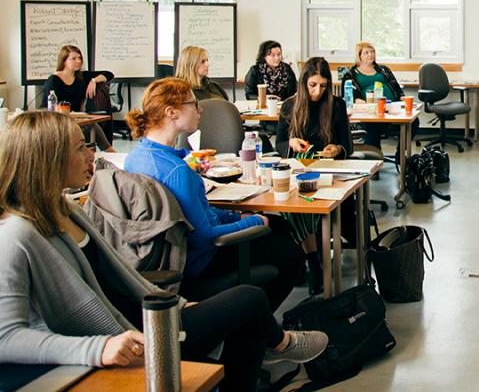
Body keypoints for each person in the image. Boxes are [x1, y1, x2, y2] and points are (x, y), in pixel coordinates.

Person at [0, 111, 327, 391]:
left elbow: (116, 278)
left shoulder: (65, 207)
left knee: (248, 312)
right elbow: (6, 338)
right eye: (80, 147)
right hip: (126, 338)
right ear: (48, 160)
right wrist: (98, 348)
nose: (91, 154)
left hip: (142, 318)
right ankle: (281, 343)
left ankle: (255, 362)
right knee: (250, 299)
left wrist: (180, 303)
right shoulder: (16, 234)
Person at [124, 78, 305, 311]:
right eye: (193, 104)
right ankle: (250, 325)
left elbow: (197, 213)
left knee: (280, 225)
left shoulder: (136, 156)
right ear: (171, 112)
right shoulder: (179, 171)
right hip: (198, 259)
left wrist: (233, 217)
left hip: (162, 253)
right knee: (291, 256)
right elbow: (205, 237)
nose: (199, 109)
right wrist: (252, 220)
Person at [276, 57, 354, 294]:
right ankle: (313, 260)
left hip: (330, 171)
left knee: (316, 205)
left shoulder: (337, 105)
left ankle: (314, 261)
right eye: (312, 85)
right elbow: (279, 143)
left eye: (322, 85)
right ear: (303, 83)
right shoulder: (290, 106)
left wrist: (337, 149)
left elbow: (347, 146)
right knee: (293, 205)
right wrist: (290, 142)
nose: (317, 91)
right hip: (300, 170)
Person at [337, 41, 418, 153]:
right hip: (370, 111)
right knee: (372, 128)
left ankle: (401, 153)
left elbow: (396, 87)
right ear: (359, 55)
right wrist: (360, 102)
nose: (370, 54)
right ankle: (375, 159)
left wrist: (402, 98)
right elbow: (348, 96)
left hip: (391, 108)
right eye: (366, 52)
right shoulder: (350, 74)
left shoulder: (384, 70)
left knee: (414, 122)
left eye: (372, 52)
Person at [40, 44, 115, 152]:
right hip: (58, 118)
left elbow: (109, 74)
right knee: (90, 125)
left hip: (76, 117)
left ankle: (106, 151)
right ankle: (109, 151)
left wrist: (94, 80)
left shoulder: (81, 76)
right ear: (64, 61)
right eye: (73, 59)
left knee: (91, 123)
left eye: (79, 58)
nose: (78, 61)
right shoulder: (54, 79)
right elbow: (48, 107)